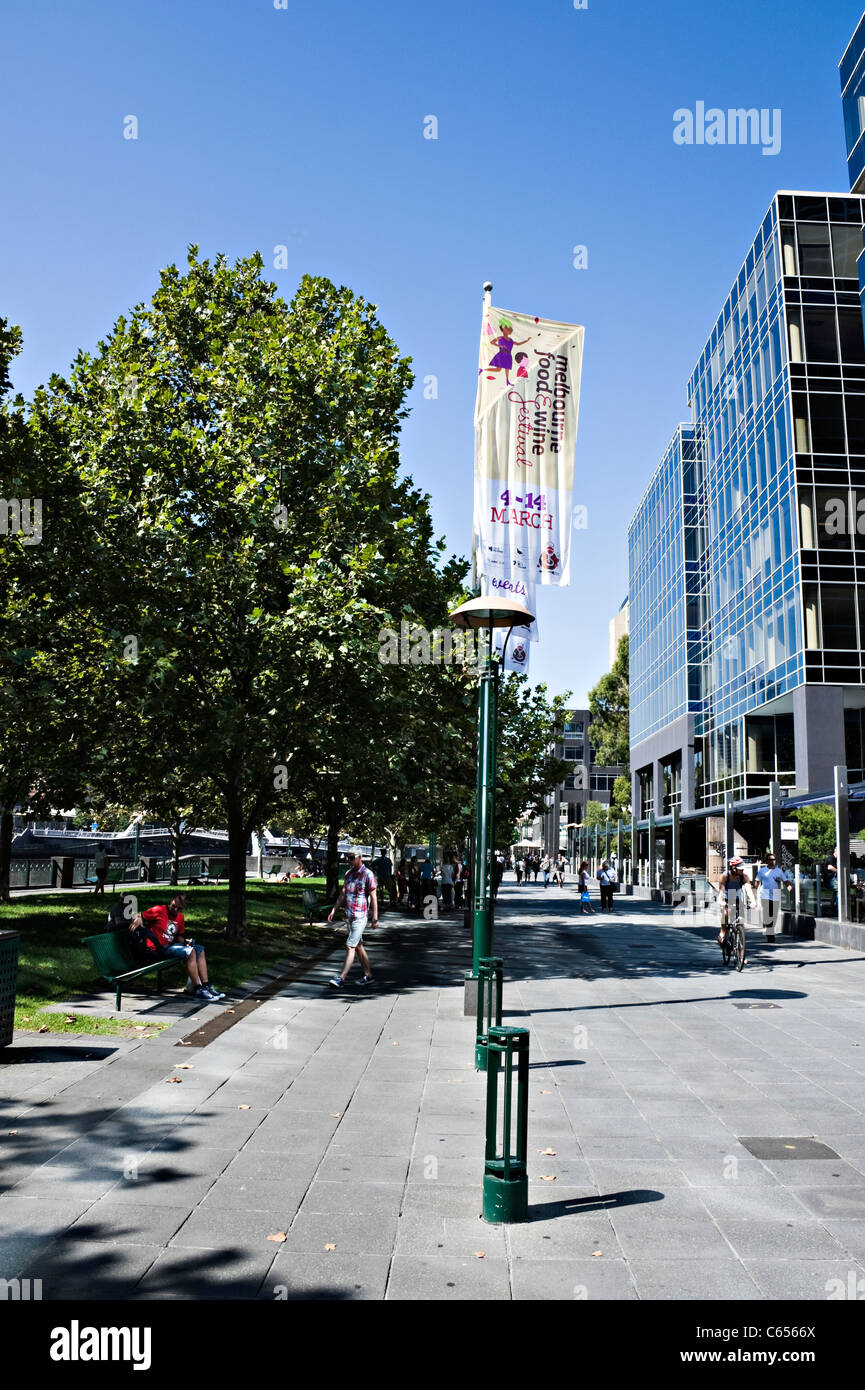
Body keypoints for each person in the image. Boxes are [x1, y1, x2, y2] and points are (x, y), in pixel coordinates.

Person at [132, 892, 225, 1001]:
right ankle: (198, 989)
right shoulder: (159, 910)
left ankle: (206, 985)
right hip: (157, 950)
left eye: (179, 908)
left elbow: (179, 936)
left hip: (169, 947)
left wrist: (186, 942)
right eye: (174, 906)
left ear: (183, 907)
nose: (175, 909)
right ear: (171, 901)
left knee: (200, 949)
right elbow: (140, 915)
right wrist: (138, 918)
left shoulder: (180, 918)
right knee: (190, 952)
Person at [327, 849, 378, 988]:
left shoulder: (368, 874)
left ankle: (341, 978)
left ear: (359, 857)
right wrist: (334, 910)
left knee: (350, 945)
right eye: (347, 857)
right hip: (349, 916)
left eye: (351, 858)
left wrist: (375, 917)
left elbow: (373, 897)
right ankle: (368, 975)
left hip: (360, 917)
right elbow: (343, 894)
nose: (348, 860)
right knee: (358, 946)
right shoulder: (348, 874)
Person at [717, 856, 752, 946]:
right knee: (726, 913)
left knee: (741, 923)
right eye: (740, 869)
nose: (742, 871)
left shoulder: (743, 876)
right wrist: (721, 901)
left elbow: (749, 889)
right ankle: (723, 931)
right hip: (726, 897)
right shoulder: (724, 876)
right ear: (733, 868)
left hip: (737, 898)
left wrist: (753, 901)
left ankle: (741, 955)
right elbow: (721, 891)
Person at [754, 853, 789, 939]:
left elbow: (785, 881)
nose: (773, 861)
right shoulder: (762, 871)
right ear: (767, 861)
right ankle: (770, 932)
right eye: (770, 860)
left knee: (774, 914)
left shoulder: (779, 871)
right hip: (765, 894)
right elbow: (757, 882)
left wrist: (790, 886)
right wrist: (754, 889)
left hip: (775, 894)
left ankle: (771, 930)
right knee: (767, 914)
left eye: (774, 860)